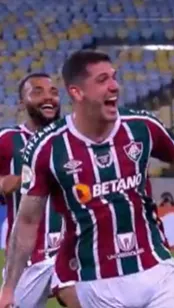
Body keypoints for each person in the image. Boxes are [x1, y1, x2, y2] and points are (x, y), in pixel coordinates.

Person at [0, 50, 174, 308]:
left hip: (156, 269)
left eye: (114, 77)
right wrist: (8, 288)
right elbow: (26, 221)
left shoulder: (140, 126)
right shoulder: (47, 147)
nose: (114, 86)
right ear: (77, 92)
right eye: (102, 80)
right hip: (95, 281)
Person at [0, 73, 64, 307]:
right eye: (37, 91)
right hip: (27, 257)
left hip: (69, 250)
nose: (48, 97)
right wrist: (28, 177)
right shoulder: (8, 140)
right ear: (21, 102)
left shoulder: (70, 139)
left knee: (81, 295)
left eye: (53, 92)